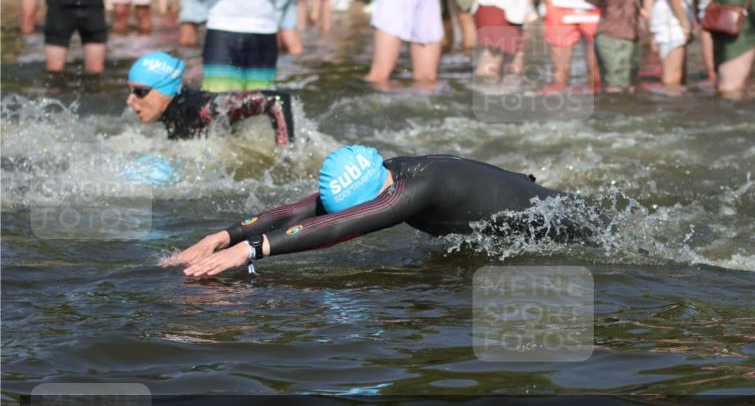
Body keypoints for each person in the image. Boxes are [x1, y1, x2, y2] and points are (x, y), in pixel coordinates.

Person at [164, 146, 588, 277]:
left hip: (566, 224)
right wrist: (225, 236)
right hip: (528, 216)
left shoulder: (414, 190)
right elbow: (307, 207)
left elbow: (342, 225)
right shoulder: (384, 172)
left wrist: (252, 251)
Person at [126, 52, 295, 145]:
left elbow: (277, 100)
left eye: (139, 92)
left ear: (165, 88)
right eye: (131, 91)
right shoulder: (168, 112)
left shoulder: (204, 109)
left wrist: (287, 157)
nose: (129, 100)